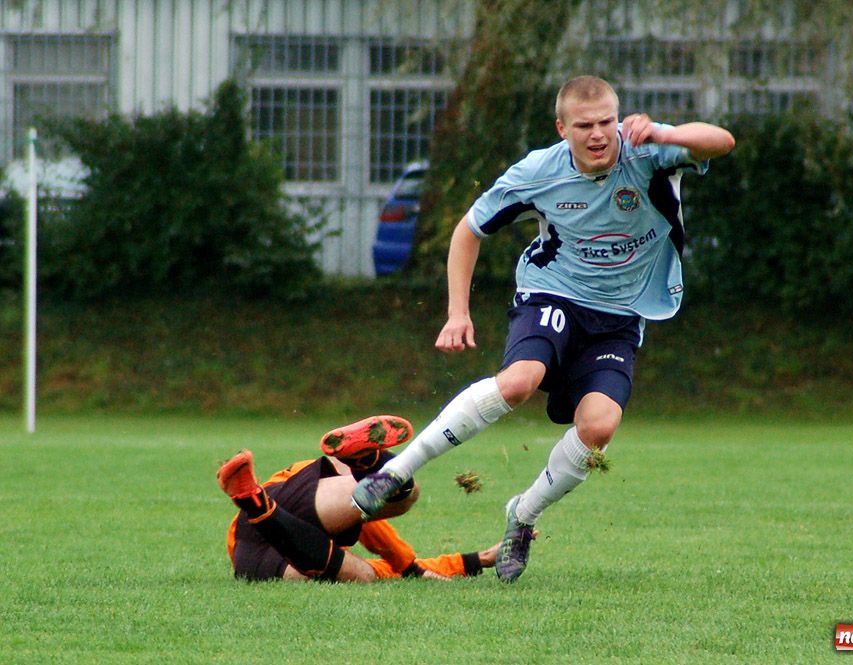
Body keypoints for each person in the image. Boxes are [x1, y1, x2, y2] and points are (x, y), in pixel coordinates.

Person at [351, 75, 736, 582]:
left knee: (599, 427)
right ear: (562, 128)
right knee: (518, 382)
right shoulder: (537, 172)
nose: (599, 135)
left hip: (620, 316)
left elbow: (722, 141)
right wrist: (457, 312)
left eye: (606, 123)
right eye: (584, 126)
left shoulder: (647, 150)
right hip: (552, 294)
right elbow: (469, 230)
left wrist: (669, 132)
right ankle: (396, 471)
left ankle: (522, 517)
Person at [216, 415, 499, 582]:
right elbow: (369, 525)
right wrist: (411, 566)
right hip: (267, 544)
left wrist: (478, 560)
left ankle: (368, 463)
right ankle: (368, 464)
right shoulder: (348, 522)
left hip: (257, 537)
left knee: (407, 494)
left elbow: (366, 513)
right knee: (363, 574)